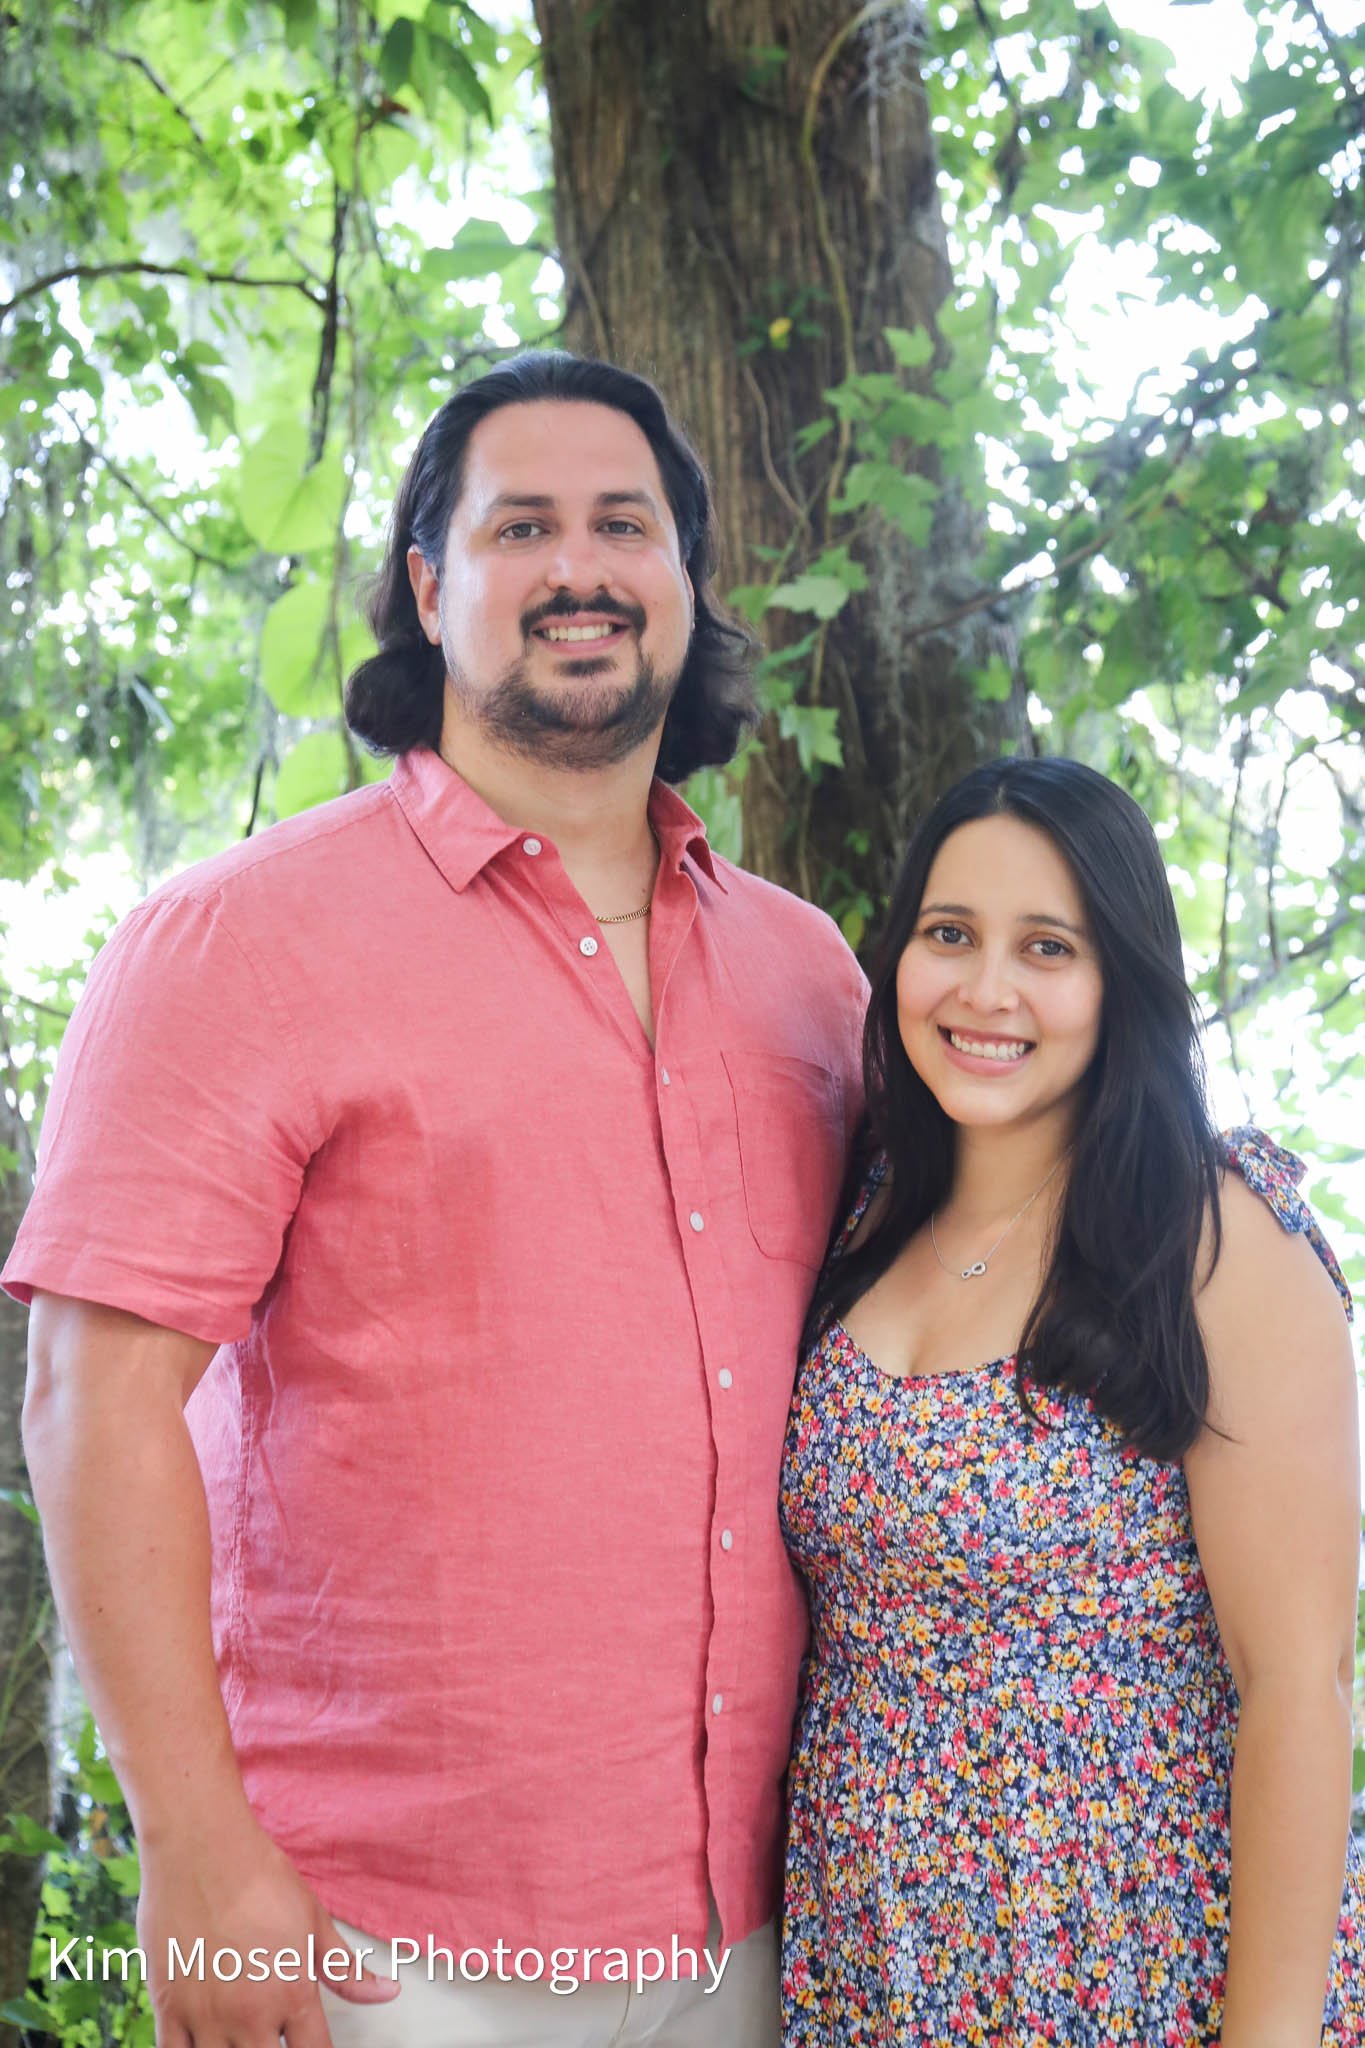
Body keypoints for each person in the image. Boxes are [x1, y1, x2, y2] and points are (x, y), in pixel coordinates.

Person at [5, 351, 868, 2048]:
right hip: (376, 1941)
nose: (577, 568)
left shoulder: (807, 974)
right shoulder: (237, 939)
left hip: (764, 1915)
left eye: (623, 525)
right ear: (426, 587)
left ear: (687, 583)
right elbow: (92, 1401)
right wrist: (195, 1849)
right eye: (518, 526)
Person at [779, 756, 1364, 2046]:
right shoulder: (865, 1208)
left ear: (1121, 983)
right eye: (950, 934)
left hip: (1133, 1957)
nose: (987, 990)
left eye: (1048, 947)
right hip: (872, 1956)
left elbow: (1300, 1685)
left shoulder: (1212, 1237)